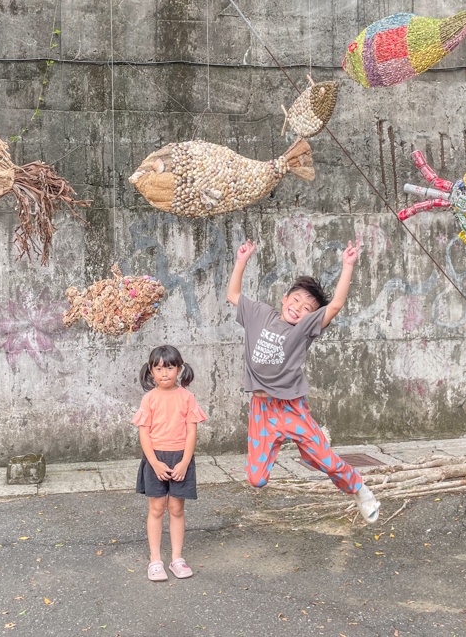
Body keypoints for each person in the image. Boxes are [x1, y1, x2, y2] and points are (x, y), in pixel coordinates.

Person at [226, 238, 380, 524]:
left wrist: (347, 266)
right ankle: (310, 452)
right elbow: (233, 293)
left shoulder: (305, 329)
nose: (298, 308)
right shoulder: (260, 314)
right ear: (284, 299)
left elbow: (335, 305)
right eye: (295, 300)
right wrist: (241, 260)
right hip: (262, 410)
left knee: (325, 459)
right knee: (256, 479)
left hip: (291, 407)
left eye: (306, 307)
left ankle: (358, 488)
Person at [132, 345, 208, 582]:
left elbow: (191, 431)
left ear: (179, 369)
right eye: (159, 368)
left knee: (176, 509)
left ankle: (177, 558)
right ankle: (155, 560)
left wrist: (185, 462)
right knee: (156, 509)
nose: (165, 373)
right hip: (156, 459)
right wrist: (153, 463)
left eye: (170, 367)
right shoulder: (149, 399)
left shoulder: (187, 397)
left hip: (179, 459)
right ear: (151, 372)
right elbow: (144, 434)